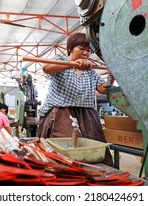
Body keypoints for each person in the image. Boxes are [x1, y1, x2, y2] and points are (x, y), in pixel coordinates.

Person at [37, 32, 115, 166]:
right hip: (62, 113)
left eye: (88, 51)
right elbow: (46, 68)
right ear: (70, 48)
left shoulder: (89, 70)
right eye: (81, 49)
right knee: (66, 151)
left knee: (94, 149)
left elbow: (102, 88)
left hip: (86, 114)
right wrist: (73, 64)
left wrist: (111, 78)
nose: (86, 53)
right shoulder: (61, 60)